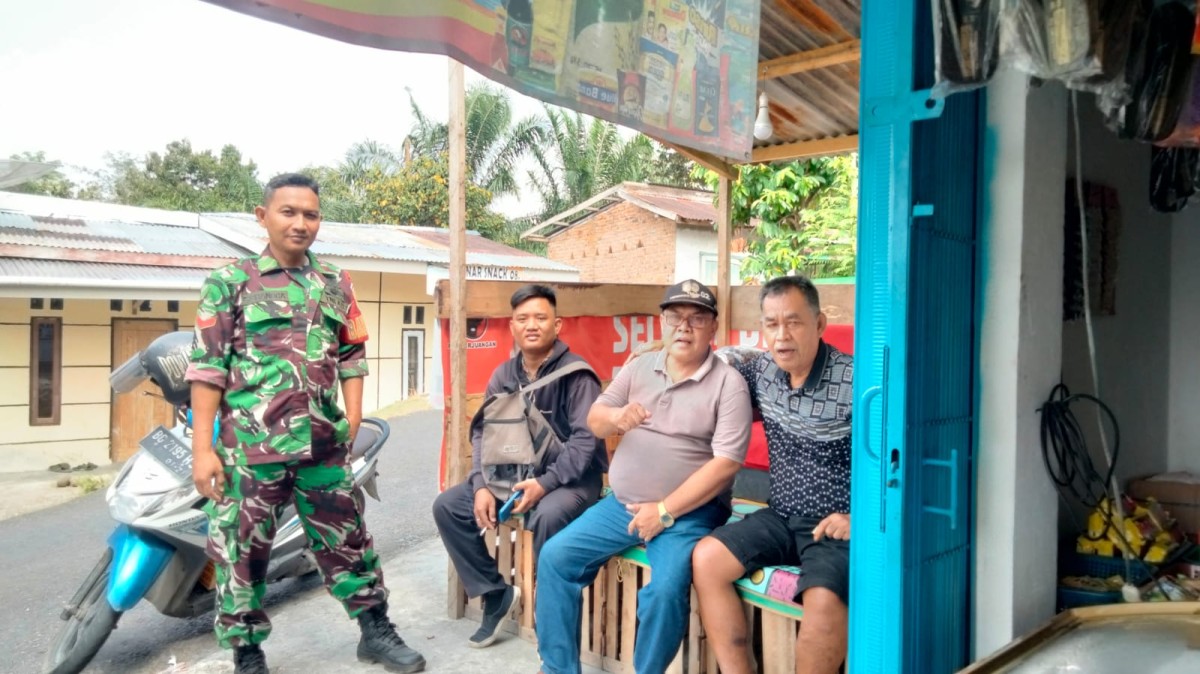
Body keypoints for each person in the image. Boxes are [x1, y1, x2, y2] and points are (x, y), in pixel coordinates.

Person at [186, 173, 425, 674]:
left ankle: (374, 630)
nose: (300, 223)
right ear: (263, 216)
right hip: (250, 451)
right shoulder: (230, 282)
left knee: (347, 540)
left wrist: (353, 415)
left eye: (310, 214)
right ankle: (246, 652)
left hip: (322, 445)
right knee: (242, 552)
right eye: (288, 212)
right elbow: (208, 370)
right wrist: (201, 450)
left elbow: (353, 351)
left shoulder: (336, 282)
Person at [535, 279, 752, 674]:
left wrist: (665, 511)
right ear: (662, 322)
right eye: (675, 317)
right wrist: (618, 417)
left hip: (689, 515)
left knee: (666, 590)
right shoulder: (639, 367)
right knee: (555, 558)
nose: (684, 327)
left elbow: (726, 463)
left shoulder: (728, 384)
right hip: (621, 505)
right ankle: (558, 668)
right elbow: (595, 418)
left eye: (697, 318)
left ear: (713, 328)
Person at [692, 275, 853, 674]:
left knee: (822, 597)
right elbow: (722, 359)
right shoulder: (762, 371)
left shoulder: (856, 381)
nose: (782, 336)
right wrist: (654, 354)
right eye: (771, 324)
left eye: (794, 322)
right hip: (781, 516)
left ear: (819, 324)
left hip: (835, 528)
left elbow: (894, 459)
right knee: (707, 558)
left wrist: (859, 519)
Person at [432, 284, 606, 649]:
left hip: (570, 482)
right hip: (511, 476)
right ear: (511, 327)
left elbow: (584, 443)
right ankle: (495, 593)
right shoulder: (503, 375)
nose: (532, 325)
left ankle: (551, 617)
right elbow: (482, 432)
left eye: (541, 318)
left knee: (547, 515)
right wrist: (480, 484)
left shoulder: (577, 375)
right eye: (523, 319)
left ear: (557, 325)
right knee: (448, 506)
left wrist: (544, 484)